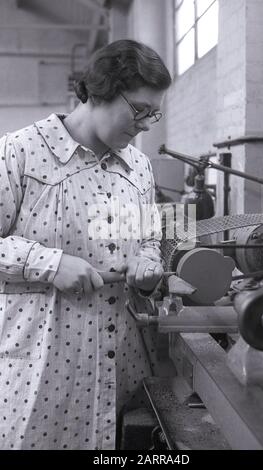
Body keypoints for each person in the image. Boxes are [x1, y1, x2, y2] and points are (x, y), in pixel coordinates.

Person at [0, 39, 172, 450]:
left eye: (154, 113)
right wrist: (48, 263)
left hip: (121, 368)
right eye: (140, 111)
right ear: (101, 90)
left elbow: (148, 236)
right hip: (42, 370)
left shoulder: (138, 167)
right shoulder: (21, 152)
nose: (147, 125)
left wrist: (147, 263)